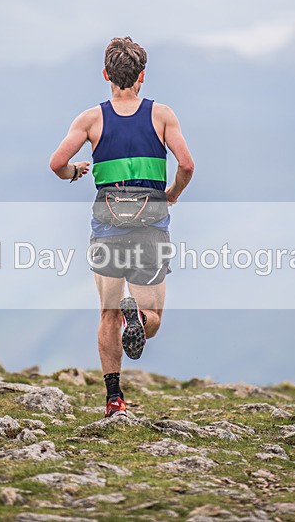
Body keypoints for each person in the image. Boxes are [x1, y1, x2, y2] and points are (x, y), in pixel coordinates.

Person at [49, 37, 194, 417]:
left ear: (105, 75)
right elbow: (187, 165)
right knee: (153, 319)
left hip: (108, 224)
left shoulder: (91, 119)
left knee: (107, 315)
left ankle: (114, 400)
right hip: (150, 225)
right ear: (142, 76)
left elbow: (57, 162)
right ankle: (139, 317)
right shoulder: (162, 116)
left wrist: (74, 172)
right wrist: (172, 194)